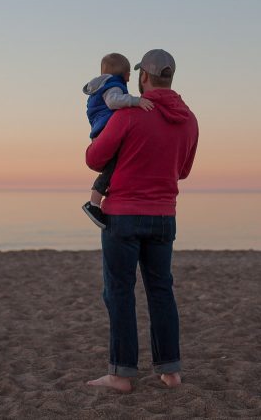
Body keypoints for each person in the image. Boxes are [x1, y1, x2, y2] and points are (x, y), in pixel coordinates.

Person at [84, 49, 199, 392]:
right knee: (161, 291)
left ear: (143, 77)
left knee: (119, 292)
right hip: (164, 216)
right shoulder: (189, 118)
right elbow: (183, 171)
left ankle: (120, 375)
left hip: (123, 217)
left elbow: (94, 158)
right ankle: (170, 371)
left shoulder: (128, 115)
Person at [81, 53, 154, 229]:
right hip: (105, 131)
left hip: (101, 131)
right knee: (112, 166)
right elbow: (114, 102)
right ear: (125, 74)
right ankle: (93, 202)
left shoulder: (102, 86)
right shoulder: (113, 87)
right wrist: (137, 101)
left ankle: (102, 193)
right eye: (129, 73)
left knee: (115, 164)